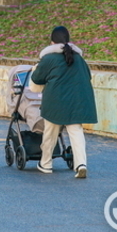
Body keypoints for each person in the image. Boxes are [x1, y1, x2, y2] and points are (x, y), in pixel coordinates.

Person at [30, 26, 97, 179]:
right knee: (76, 133)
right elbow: (87, 77)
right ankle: (81, 164)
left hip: (55, 102)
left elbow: (36, 81)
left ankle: (46, 164)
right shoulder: (79, 59)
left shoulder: (48, 58)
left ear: (52, 42)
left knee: (50, 134)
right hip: (78, 101)